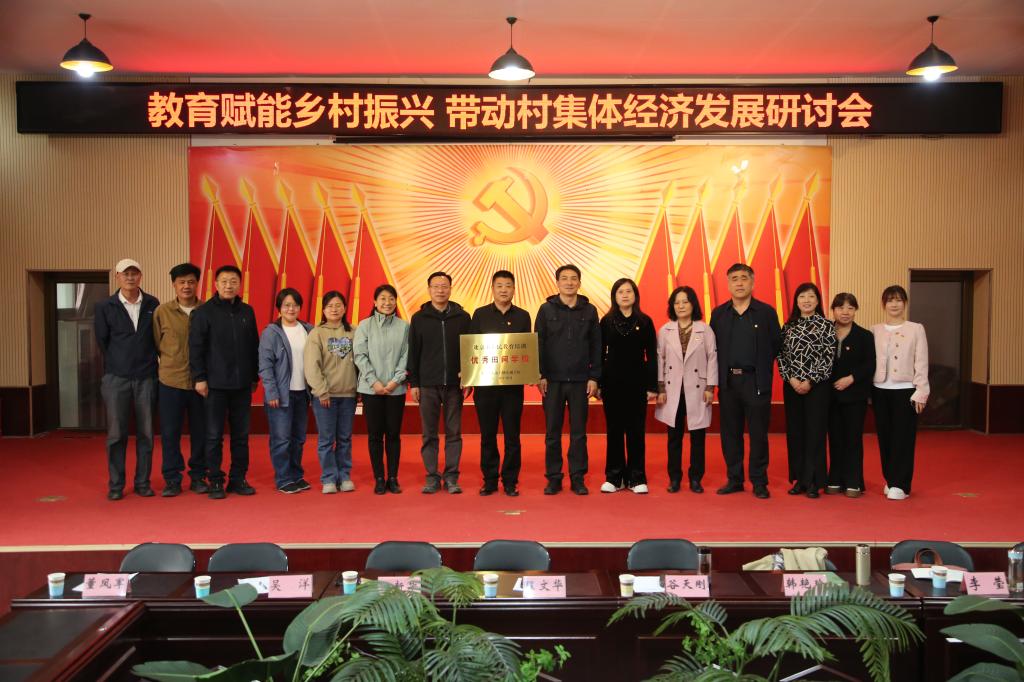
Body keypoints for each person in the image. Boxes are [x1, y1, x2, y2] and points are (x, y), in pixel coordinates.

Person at [709, 263, 782, 499]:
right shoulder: (718, 314)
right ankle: (735, 479)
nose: (739, 283)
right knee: (730, 434)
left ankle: (759, 481)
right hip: (729, 382)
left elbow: (776, 345)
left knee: (758, 434)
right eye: (734, 279)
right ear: (728, 283)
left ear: (752, 282)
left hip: (756, 381)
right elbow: (712, 349)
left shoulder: (766, 313)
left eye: (743, 278)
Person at [189, 264, 259, 499]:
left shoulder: (247, 311)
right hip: (214, 385)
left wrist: (254, 376)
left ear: (240, 285)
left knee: (241, 436)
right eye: (224, 281)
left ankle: (238, 479)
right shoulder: (203, 312)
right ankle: (216, 480)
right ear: (216, 284)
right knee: (213, 436)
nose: (229, 286)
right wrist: (199, 378)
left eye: (233, 281)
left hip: (242, 385)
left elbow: (254, 346)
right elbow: (196, 348)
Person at [94, 258, 160, 500]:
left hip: (147, 377)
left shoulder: (152, 303)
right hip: (116, 378)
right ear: (117, 277)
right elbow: (102, 341)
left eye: (134, 273)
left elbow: (156, 338)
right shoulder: (105, 306)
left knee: (146, 433)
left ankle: (142, 483)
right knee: (116, 434)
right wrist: (120, 362)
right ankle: (116, 485)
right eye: (125, 274)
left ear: (140, 276)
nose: (130, 277)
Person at [536, 264, 601, 495]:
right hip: (552, 381)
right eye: (564, 278)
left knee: (579, 433)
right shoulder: (546, 309)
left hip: (580, 381)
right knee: (552, 433)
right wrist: (540, 374)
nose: (569, 282)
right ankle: (554, 478)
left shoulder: (589, 311)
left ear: (579, 283)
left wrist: (594, 377)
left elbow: (596, 346)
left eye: (574, 278)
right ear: (557, 283)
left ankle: (577, 477)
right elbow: (538, 343)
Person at [407, 271, 472, 495]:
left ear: (451, 289)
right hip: (427, 384)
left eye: (444, 286)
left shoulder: (463, 317)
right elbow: (413, 353)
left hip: (455, 385)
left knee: (454, 433)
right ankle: (432, 477)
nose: (440, 290)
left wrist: (469, 377)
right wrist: (414, 383)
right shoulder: (419, 318)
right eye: (436, 286)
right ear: (429, 290)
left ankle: (452, 477)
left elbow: (470, 350)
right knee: (429, 433)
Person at [469, 270, 532, 497]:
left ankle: (510, 481)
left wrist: (530, 370)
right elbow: (472, 348)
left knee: (512, 436)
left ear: (514, 289)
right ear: (493, 288)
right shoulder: (480, 314)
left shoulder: (523, 316)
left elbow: (526, 349)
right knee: (488, 435)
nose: (504, 290)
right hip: (485, 388)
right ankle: (490, 480)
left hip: (513, 388)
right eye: (499, 286)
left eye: (508, 286)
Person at [655, 286, 717, 494]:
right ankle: (674, 478)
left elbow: (712, 358)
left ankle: (696, 478)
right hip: (672, 390)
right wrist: (660, 388)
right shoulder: (665, 330)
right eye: (677, 302)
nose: (681, 306)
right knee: (674, 438)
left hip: (697, 390)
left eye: (685, 301)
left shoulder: (704, 330)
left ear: (693, 304)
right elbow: (659, 360)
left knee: (698, 437)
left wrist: (710, 387)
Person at [152, 262, 207, 497]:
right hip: (170, 382)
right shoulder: (162, 312)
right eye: (181, 282)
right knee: (170, 433)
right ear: (173, 285)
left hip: (201, 383)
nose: (186, 286)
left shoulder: (206, 310)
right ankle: (172, 479)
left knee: (201, 432)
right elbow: (156, 344)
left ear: (197, 284)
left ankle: (198, 476)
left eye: (191, 282)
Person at [598, 278, 657, 494]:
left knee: (636, 431)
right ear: (614, 296)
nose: (625, 295)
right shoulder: (606, 321)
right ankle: (614, 477)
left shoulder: (646, 321)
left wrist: (652, 386)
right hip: (611, 384)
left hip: (637, 384)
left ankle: (636, 477)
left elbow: (652, 356)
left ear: (635, 295)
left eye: (629, 291)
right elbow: (599, 354)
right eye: (620, 291)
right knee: (614, 430)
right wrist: (599, 383)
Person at [778, 283, 837, 499]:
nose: (806, 300)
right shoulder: (788, 326)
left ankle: (814, 481)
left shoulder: (826, 325)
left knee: (815, 432)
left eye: (811, 296)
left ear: (817, 301)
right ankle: (799, 480)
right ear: (796, 301)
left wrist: (810, 381)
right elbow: (781, 356)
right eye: (802, 296)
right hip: (792, 386)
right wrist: (792, 379)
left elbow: (828, 358)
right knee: (795, 433)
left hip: (817, 387)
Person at [871, 285, 929, 501]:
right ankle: (890, 479)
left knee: (903, 438)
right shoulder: (874, 330)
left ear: (905, 303)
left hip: (905, 390)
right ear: (883, 304)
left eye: (898, 300)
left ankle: (901, 484)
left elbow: (921, 361)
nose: (894, 304)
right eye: (890, 300)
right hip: (879, 390)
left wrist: (921, 391)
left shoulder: (916, 329)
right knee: (885, 437)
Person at [354, 284, 409, 495]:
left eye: (391, 299)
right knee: (375, 435)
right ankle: (379, 477)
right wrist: (374, 382)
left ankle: (393, 477)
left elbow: (406, 355)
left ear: (396, 302)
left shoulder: (404, 327)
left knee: (393, 435)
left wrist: (395, 381)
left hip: (396, 390)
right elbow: (360, 355)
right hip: (371, 390)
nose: (387, 303)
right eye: (383, 299)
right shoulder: (364, 325)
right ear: (375, 302)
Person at [258, 288, 313, 494]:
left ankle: (296, 475)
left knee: (298, 438)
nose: (291, 309)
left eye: (295, 305)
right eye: (286, 305)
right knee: (281, 439)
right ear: (279, 308)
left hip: (302, 394)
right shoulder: (271, 332)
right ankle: (283, 478)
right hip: (281, 395)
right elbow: (265, 365)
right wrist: (271, 392)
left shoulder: (308, 329)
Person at [305, 291, 359, 494]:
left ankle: (344, 476)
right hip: (325, 397)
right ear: (324, 309)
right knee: (327, 439)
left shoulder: (354, 331)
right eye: (330, 306)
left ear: (344, 308)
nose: (334, 309)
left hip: (348, 395)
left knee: (345, 438)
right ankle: (328, 478)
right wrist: (321, 391)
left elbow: (361, 360)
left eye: (338, 305)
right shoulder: (317, 333)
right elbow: (312, 366)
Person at [826, 292, 875, 498]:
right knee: (835, 437)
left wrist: (851, 378)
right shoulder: (825, 333)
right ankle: (835, 478)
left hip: (855, 395)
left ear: (855, 311)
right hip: (830, 396)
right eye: (840, 308)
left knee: (853, 438)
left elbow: (870, 364)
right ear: (833, 310)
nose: (845, 312)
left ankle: (854, 480)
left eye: (850, 308)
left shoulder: (865, 336)